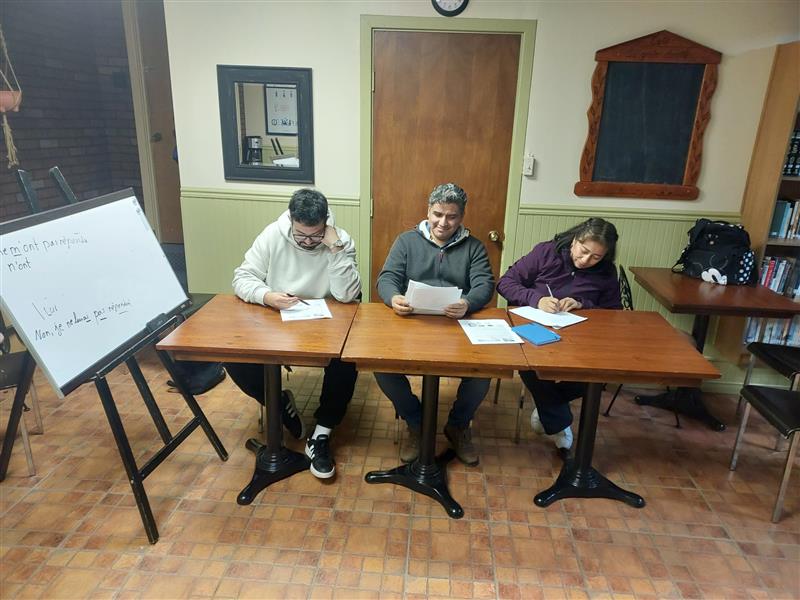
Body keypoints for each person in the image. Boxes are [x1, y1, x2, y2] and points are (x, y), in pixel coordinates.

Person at [226, 188, 361, 479]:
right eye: (301, 235)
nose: (308, 242)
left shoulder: (339, 240)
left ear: (325, 223)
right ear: (290, 220)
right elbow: (242, 277)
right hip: (279, 318)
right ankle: (278, 403)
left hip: (326, 322)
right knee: (233, 356)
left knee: (345, 360)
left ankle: (322, 433)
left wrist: (335, 249)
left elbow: (348, 295)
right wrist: (266, 296)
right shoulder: (272, 235)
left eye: (316, 235)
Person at [375, 183, 495, 466]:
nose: (443, 223)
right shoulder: (406, 241)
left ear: (461, 217)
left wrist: (468, 303)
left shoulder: (474, 247)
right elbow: (387, 278)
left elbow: (484, 284)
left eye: (451, 217)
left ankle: (457, 425)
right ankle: (417, 422)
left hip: (457, 323)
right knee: (380, 365)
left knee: (484, 371)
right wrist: (393, 297)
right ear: (428, 211)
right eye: (438, 214)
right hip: (411, 321)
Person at [497, 217, 621, 459]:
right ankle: (559, 421)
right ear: (574, 240)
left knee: (601, 374)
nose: (585, 260)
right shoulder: (547, 252)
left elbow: (615, 311)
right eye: (583, 251)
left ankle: (548, 407)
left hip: (580, 338)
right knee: (531, 365)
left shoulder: (606, 272)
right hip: (533, 328)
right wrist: (537, 299)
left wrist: (583, 304)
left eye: (595, 257)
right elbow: (505, 283)